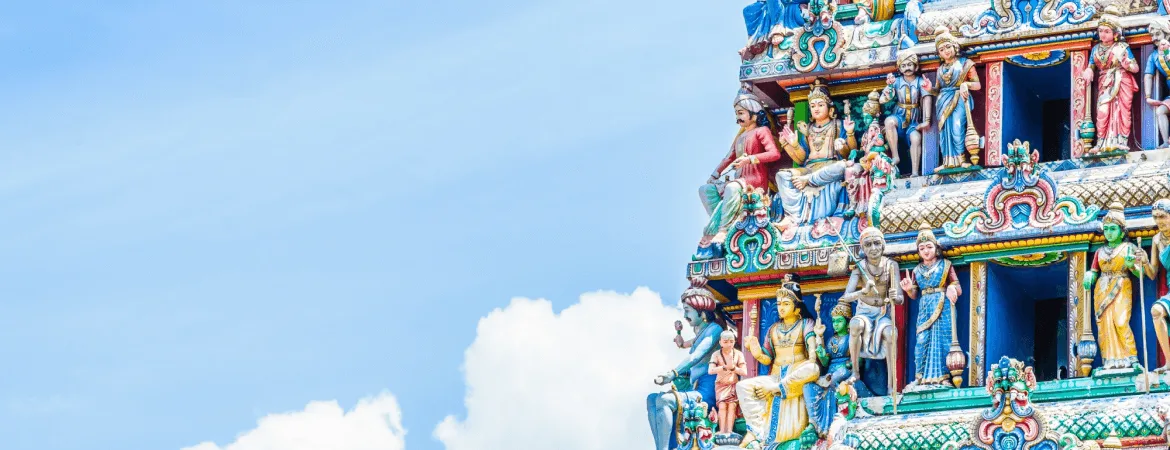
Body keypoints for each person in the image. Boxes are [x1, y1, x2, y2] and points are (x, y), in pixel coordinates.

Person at [696, 91, 788, 259]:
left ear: (754, 114)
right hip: (740, 179)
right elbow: (729, 157)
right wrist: (715, 175)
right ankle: (720, 224)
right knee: (705, 190)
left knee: (732, 188)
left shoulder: (762, 131)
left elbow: (774, 154)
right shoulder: (740, 137)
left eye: (741, 113)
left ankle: (724, 230)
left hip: (755, 180)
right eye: (737, 114)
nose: (738, 118)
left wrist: (750, 159)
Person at [736, 280, 821, 448]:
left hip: (795, 376)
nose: (781, 308)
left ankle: (776, 389)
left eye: (786, 304)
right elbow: (767, 359)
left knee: (813, 369)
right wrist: (756, 351)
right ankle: (756, 431)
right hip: (775, 375)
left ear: (797, 308)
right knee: (742, 386)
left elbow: (812, 358)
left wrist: (814, 354)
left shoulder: (806, 324)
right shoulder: (774, 329)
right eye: (779, 304)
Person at [646, 278, 725, 450]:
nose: (685, 316)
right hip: (694, 387)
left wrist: (673, 373)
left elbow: (696, 356)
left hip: (707, 390)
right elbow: (687, 346)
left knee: (664, 400)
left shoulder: (715, 330)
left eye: (688, 311)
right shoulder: (701, 333)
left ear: (701, 312)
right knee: (652, 399)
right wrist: (680, 338)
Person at [775, 80, 857, 227]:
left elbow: (849, 153)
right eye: (812, 106)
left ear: (830, 109)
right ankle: (792, 216)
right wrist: (790, 144)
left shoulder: (837, 125)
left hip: (830, 165)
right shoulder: (808, 129)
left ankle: (808, 180)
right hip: (809, 168)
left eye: (820, 105)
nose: (816, 109)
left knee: (842, 166)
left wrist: (848, 136)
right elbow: (801, 159)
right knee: (782, 176)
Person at [1082, 203, 1147, 370]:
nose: (1109, 232)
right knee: (1104, 324)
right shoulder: (1100, 251)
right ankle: (1109, 361)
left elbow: (1141, 274)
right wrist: (1089, 275)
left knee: (1120, 321)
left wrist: (1131, 266)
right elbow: (1094, 271)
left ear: (1122, 231)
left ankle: (1132, 359)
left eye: (1113, 229)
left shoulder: (1129, 248)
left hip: (1121, 284)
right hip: (1102, 288)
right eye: (1106, 229)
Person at [840, 227, 903, 397]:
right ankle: (855, 372)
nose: (873, 248)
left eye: (876, 243)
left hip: (883, 312)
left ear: (883, 245)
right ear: (863, 248)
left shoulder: (891, 265)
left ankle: (891, 384)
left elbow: (900, 299)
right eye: (868, 245)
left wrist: (895, 296)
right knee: (855, 325)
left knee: (891, 334)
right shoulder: (860, 267)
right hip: (864, 311)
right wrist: (863, 291)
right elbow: (846, 297)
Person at [900, 224, 962, 389]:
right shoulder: (916, 270)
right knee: (921, 341)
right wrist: (908, 289)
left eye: (929, 247)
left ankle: (944, 377)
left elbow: (958, 287)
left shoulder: (945, 265)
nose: (926, 251)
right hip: (925, 307)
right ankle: (919, 377)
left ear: (936, 248)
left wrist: (951, 287)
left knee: (944, 340)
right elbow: (914, 294)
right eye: (922, 248)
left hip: (943, 305)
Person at [1082, 5, 1139, 153]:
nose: (1103, 34)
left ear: (1115, 34)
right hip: (1105, 82)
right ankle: (1101, 143)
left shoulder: (1122, 47)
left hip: (1121, 80)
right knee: (1102, 112)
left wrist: (1127, 65)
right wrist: (1089, 69)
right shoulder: (1096, 49)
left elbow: (1135, 68)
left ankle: (1121, 141)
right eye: (1100, 31)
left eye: (1107, 31)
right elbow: (1091, 65)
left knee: (1122, 111)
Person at [930, 27, 980, 171]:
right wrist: (929, 89)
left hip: (960, 98)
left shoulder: (966, 63)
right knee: (944, 132)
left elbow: (977, 85)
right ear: (939, 53)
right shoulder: (940, 69)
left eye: (948, 47)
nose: (946, 51)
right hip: (943, 101)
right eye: (941, 49)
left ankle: (962, 160)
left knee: (957, 128)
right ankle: (948, 162)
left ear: (954, 46)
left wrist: (966, 84)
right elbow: (937, 90)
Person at [880, 52, 932, 176]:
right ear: (899, 68)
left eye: (909, 65)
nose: (907, 68)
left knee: (916, 138)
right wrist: (889, 89)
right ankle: (895, 156)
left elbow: (927, 98)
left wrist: (927, 120)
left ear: (916, 66)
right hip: (899, 116)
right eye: (903, 66)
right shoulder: (897, 81)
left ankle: (915, 172)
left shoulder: (920, 81)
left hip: (914, 121)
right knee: (889, 121)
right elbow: (882, 100)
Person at [708, 330, 747, 435]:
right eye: (725, 342)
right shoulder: (716, 354)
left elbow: (744, 372)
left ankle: (729, 431)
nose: (729, 344)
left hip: (732, 384)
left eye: (731, 341)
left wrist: (733, 368)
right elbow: (710, 371)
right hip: (721, 385)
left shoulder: (738, 354)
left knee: (732, 407)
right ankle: (722, 430)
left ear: (734, 342)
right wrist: (724, 367)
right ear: (720, 342)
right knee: (722, 406)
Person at [1148, 199, 1170, 373]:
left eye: (1162, 216)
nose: (1159, 221)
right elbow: (1152, 273)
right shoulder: (1156, 240)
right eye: (1155, 217)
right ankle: (1169, 361)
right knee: (1156, 311)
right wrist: (1142, 261)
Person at [1144, 18, 1170, 148]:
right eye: (1152, 35)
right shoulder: (1154, 56)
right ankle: (1166, 142)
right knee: (1160, 111)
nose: (1154, 38)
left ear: (1166, 34)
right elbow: (1148, 75)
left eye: (1158, 34)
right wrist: (1148, 96)